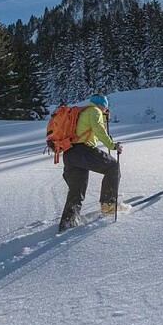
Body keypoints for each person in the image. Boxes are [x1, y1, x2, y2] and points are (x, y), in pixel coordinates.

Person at [59, 94, 129, 232]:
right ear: (101, 105)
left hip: (69, 153)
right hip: (83, 150)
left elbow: (88, 127)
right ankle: (108, 204)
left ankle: (68, 221)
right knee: (112, 166)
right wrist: (112, 146)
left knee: (76, 190)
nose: (106, 109)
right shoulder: (94, 111)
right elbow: (98, 129)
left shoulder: (84, 112)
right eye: (105, 106)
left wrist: (103, 117)